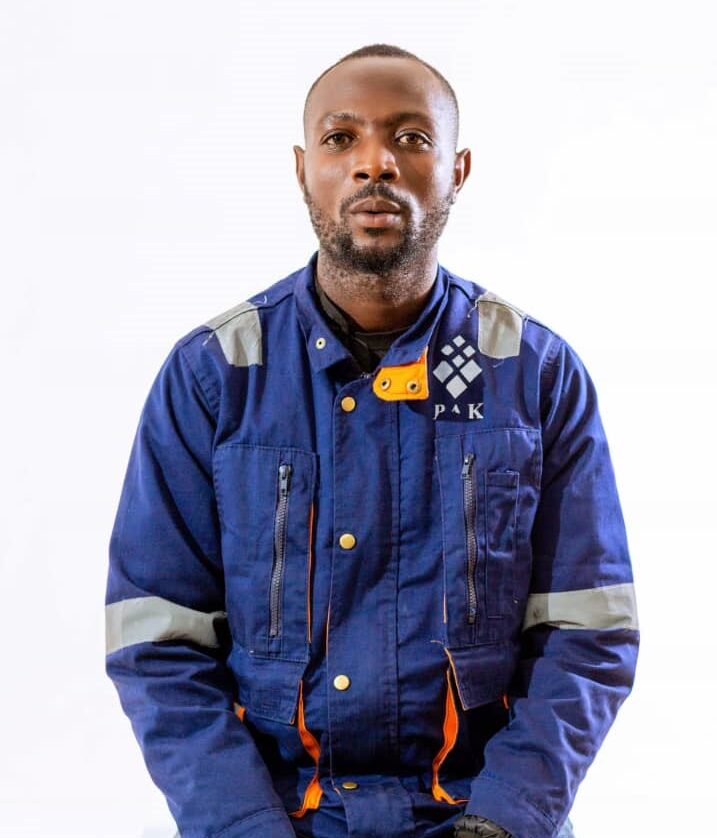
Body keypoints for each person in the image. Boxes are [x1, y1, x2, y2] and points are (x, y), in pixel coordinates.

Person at [105, 43, 639, 838]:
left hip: (481, 816)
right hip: (281, 821)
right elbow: (158, 642)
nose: (375, 162)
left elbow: (587, 632)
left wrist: (504, 821)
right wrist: (245, 826)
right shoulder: (217, 376)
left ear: (457, 171)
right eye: (340, 138)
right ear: (303, 170)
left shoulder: (530, 374)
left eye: (411, 138)